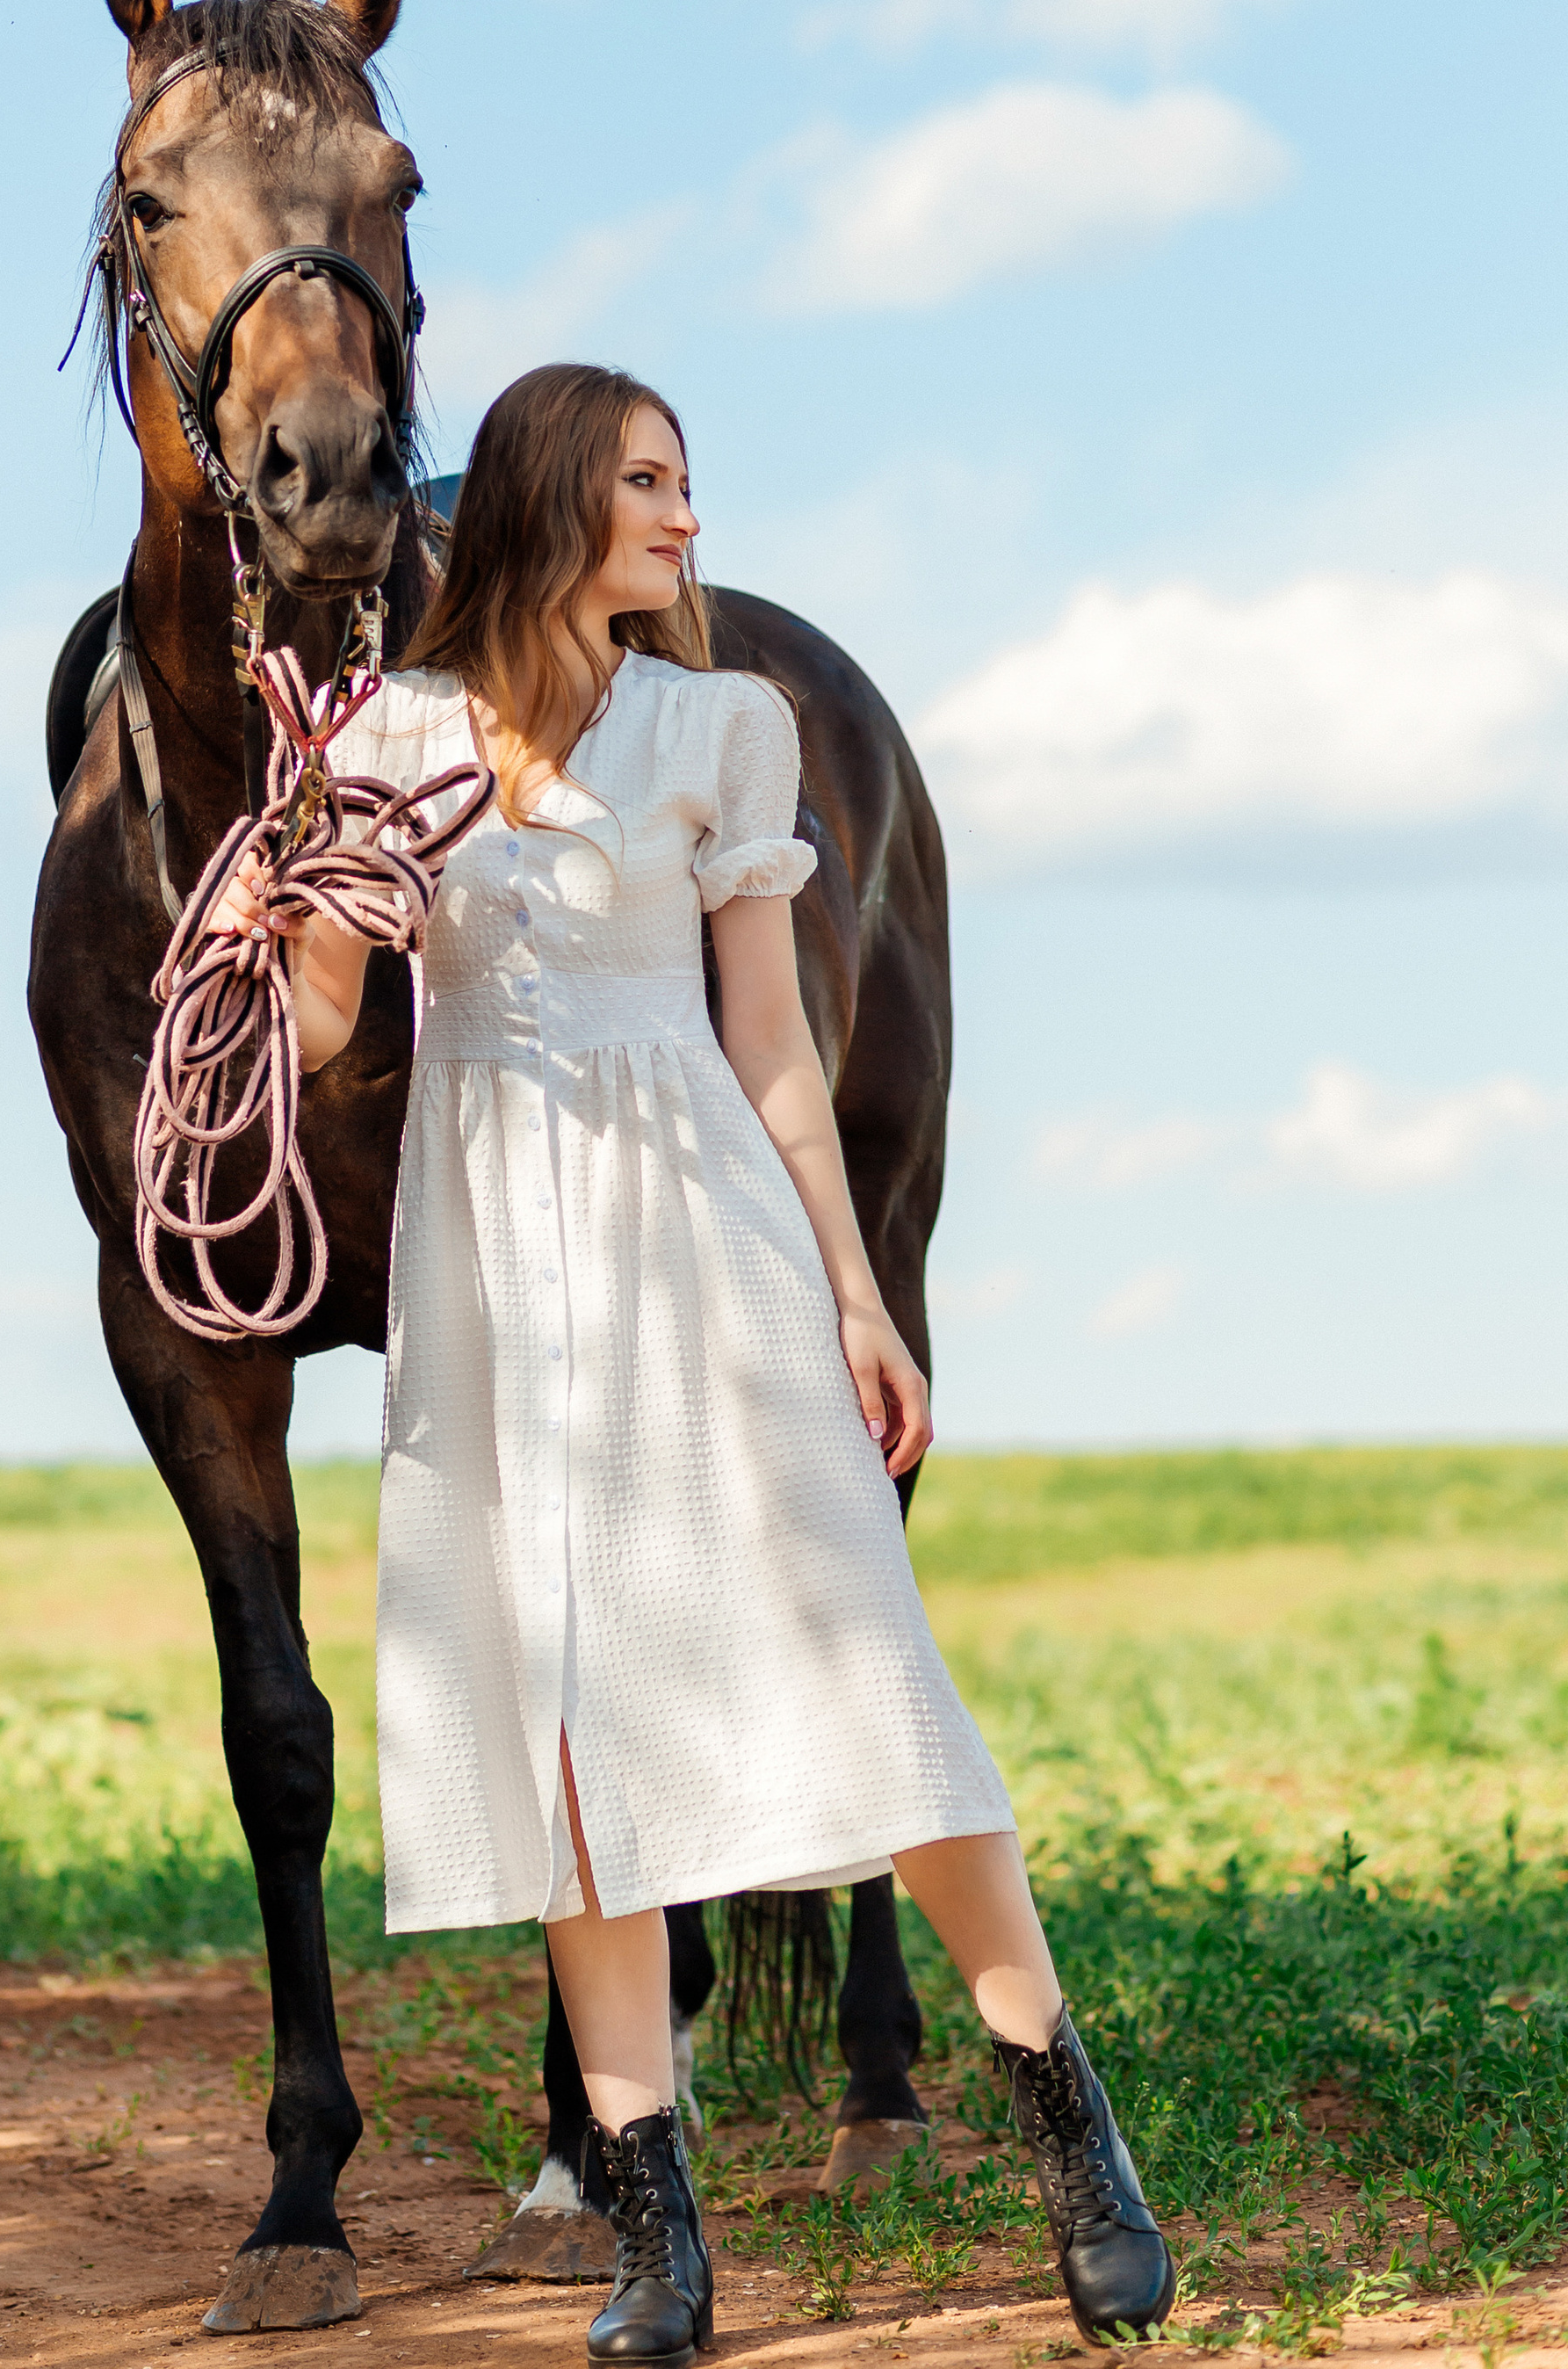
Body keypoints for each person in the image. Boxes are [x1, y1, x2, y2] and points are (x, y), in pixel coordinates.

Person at [249, 363, 1174, 2367]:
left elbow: (769, 1039)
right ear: (551, 495)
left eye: (685, 482)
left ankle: (1065, 2124)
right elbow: (327, 1029)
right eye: (649, 481)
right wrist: (280, 900)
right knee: (572, 1743)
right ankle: (653, 2235)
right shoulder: (384, 740)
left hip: (705, 1229)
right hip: (495, 1266)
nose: (684, 516)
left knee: (866, 1671)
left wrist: (851, 1288)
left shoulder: (719, 726)